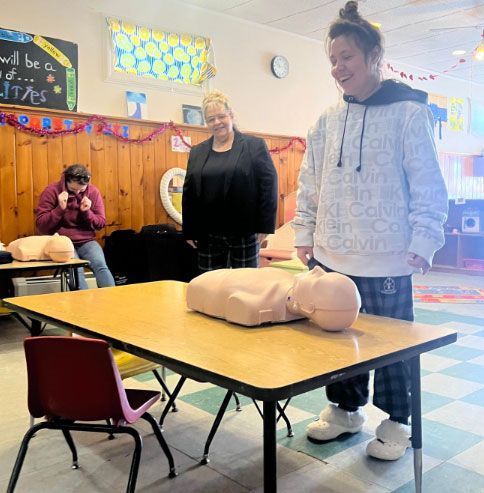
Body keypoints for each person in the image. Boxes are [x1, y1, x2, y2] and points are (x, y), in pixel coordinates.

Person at [293, 1, 448, 461]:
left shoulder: (407, 113)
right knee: (336, 336)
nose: (339, 67)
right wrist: (305, 232)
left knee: (392, 344)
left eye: (348, 57)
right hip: (332, 254)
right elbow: (310, 180)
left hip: (389, 257)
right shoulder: (326, 120)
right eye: (333, 59)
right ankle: (345, 410)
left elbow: (427, 183)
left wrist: (425, 238)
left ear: (373, 57)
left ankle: (397, 423)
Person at [182, 91, 278, 272]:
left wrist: (265, 225)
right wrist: (189, 230)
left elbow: (269, 184)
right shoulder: (197, 152)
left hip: (244, 231)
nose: (216, 122)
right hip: (207, 233)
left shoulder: (253, 146)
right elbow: (189, 193)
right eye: (211, 119)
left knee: (245, 287)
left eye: (221, 116)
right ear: (206, 123)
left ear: (231, 115)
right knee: (209, 288)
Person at [36, 164, 115, 290]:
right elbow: (41, 225)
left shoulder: (93, 192)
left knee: (101, 265)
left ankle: (113, 301)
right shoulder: (51, 191)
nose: (77, 192)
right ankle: (82, 306)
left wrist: (87, 212)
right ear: (66, 180)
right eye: (73, 190)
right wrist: (59, 209)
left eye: (81, 190)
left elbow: (100, 223)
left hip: (86, 241)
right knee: (76, 271)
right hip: (62, 241)